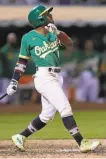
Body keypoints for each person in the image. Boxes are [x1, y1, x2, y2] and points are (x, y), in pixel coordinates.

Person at [6, 5, 100, 152]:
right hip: (44, 77)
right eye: (47, 14)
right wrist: (14, 81)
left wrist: (59, 33)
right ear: (40, 18)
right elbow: (22, 62)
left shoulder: (52, 33)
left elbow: (69, 44)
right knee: (65, 108)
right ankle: (82, 142)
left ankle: (20, 136)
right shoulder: (28, 38)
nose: (50, 16)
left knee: (46, 116)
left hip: (57, 76)